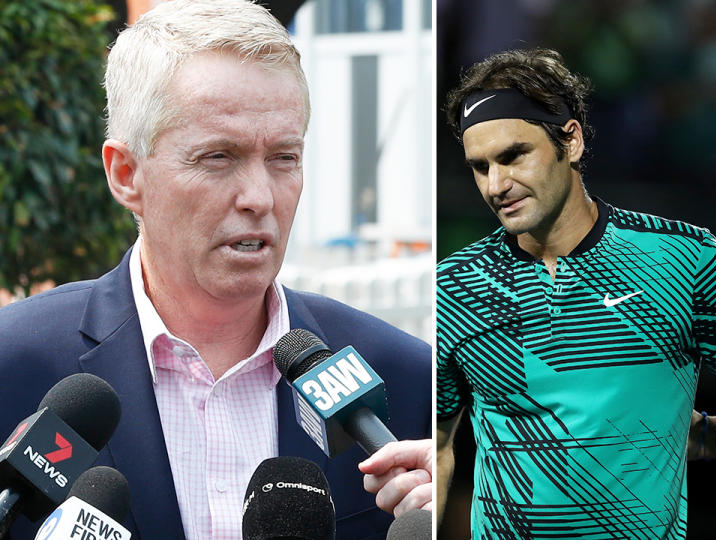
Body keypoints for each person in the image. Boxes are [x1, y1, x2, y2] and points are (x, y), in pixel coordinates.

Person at [0, 1, 431, 538]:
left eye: (284, 158)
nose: (259, 197)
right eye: (218, 157)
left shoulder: (411, 379)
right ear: (126, 173)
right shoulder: (13, 364)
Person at [436, 47, 716, 539]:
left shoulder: (686, 259)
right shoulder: (452, 287)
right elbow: (438, 452)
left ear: (569, 142)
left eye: (513, 156)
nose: (496, 184)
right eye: (479, 167)